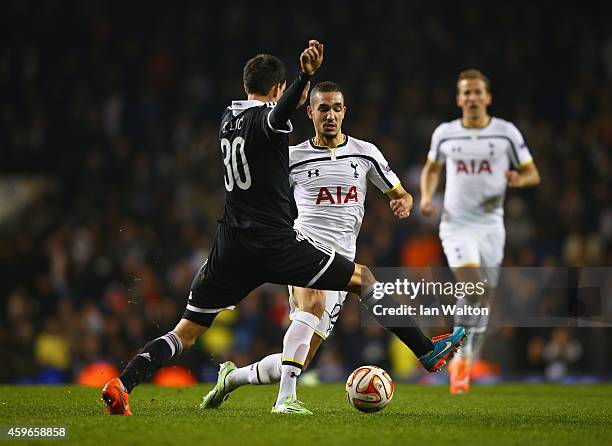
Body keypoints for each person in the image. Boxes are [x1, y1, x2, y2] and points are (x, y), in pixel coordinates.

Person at [102, 41, 464, 416]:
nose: (330, 114)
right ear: (284, 94)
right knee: (357, 283)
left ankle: (125, 382)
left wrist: (397, 196)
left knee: (187, 332)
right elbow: (277, 116)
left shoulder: (228, 118)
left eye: (337, 108)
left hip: (231, 244)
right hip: (276, 243)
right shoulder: (271, 125)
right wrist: (305, 76)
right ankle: (417, 353)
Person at [200, 81, 461, 413]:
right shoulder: (291, 158)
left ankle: (232, 378)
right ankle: (286, 400)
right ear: (310, 113)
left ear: (344, 111)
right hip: (302, 249)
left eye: (337, 108)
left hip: (342, 260)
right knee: (318, 302)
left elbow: (399, 192)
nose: (331, 115)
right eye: (323, 108)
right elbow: (260, 196)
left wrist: (403, 203)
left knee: (298, 359)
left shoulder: (365, 152)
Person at [419, 69, 540, 394]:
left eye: (477, 92)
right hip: (456, 224)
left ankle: (467, 356)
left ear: (487, 98)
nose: (472, 98)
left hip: (491, 226)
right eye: (466, 93)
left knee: (483, 297)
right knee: (473, 285)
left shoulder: (505, 133)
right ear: (459, 99)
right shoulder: (446, 133)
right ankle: (458, 355)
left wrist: (518, 179)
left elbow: (532, 173)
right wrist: (427, 197)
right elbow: (432, 169)